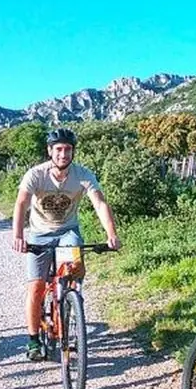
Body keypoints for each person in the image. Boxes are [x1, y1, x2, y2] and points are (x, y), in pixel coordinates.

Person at [11, 127, 120, 360]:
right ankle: (32, 340)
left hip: (68, 232)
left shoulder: (83, 174)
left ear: (73, 152)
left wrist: (111, 234)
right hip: (39, 234)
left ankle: (71, 304)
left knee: (74, 272)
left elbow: (99, 204)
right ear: (50, 151)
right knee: (37, 287)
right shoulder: (36, 174)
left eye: (68, 149)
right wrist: (18, 236)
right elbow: (21, 203)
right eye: (58, 149)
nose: (63, 154)